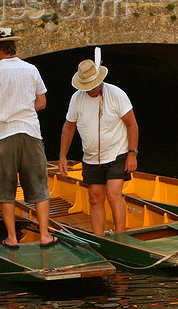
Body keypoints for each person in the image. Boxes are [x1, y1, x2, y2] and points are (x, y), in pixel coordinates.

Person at [0, 27, 56, 248]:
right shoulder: (31, 69)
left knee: (5, 189)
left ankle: (12, 238)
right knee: (39, 186)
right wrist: (22, 108)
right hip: (31, 133)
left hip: (5, 135)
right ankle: (45, 235)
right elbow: (42, 103)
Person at [58, 52, 139, 236]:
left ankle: (120, 236)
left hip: (117, 152)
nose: (90, 90)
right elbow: (68, 127)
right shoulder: (76, 98)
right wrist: (62, 156)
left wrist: (132, 153)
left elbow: (132, 124)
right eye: (86, 87)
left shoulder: (116, 94)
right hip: (91, 156)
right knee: (95, 197)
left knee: (113, 193)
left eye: (92, 86)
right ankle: (99, 237)